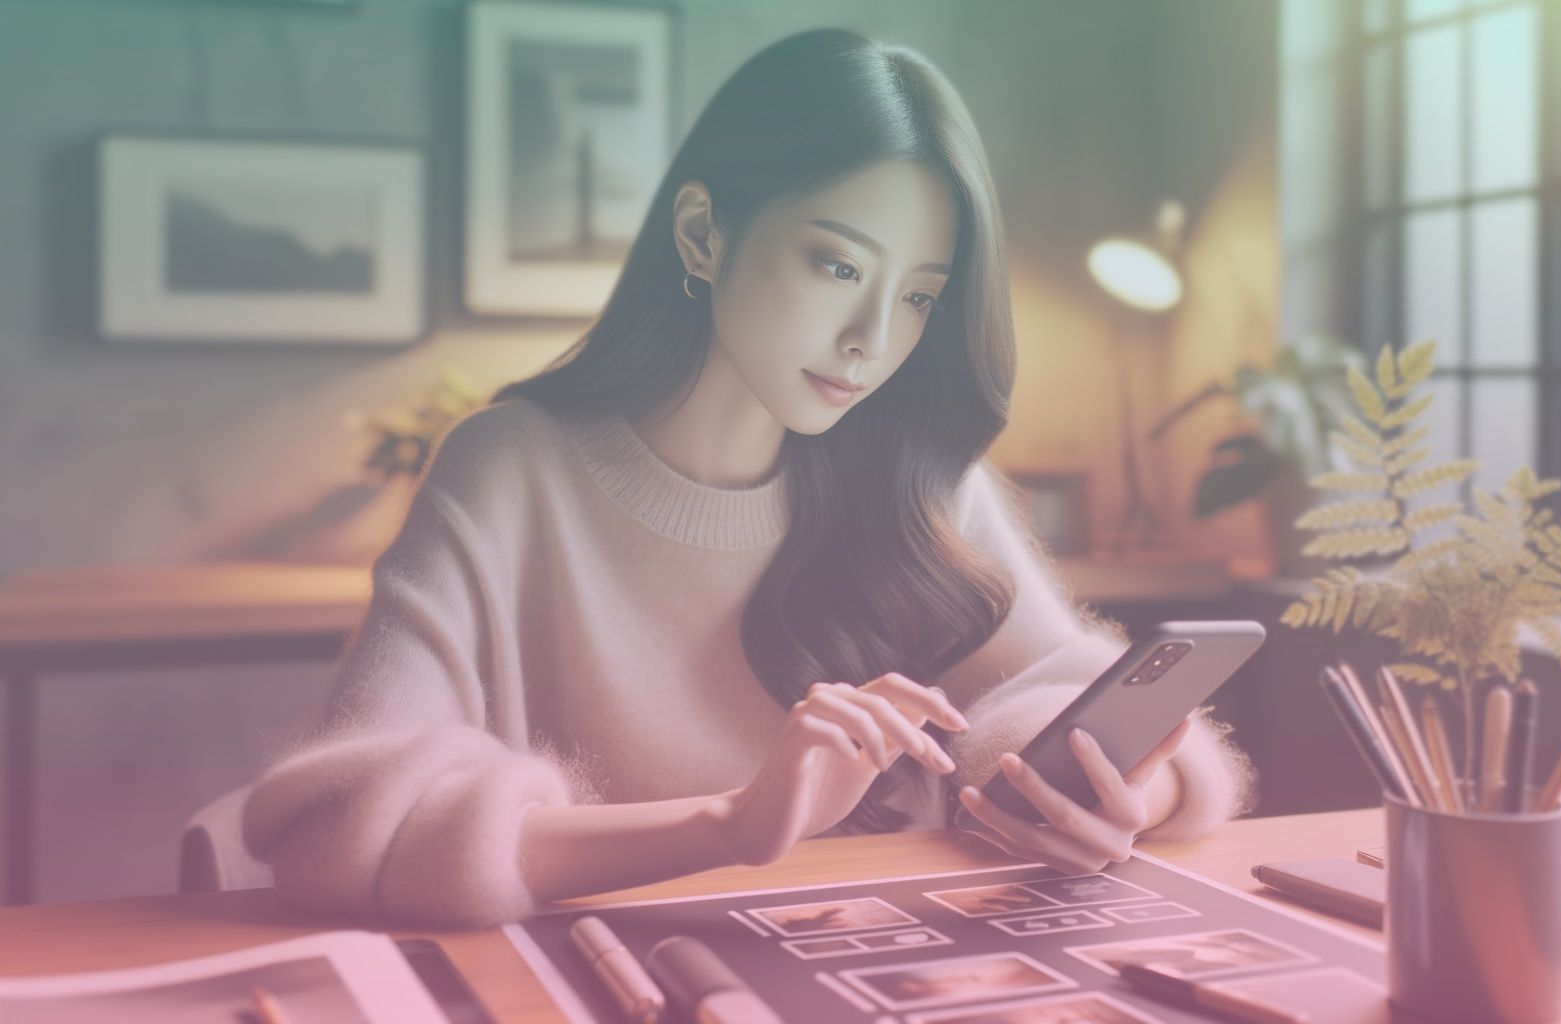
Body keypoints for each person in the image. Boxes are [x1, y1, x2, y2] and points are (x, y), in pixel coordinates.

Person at [241, 28, 1253, 929]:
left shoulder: (917, 473)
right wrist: (731, 822)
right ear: (701, 234)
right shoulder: (511, 468)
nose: (870, 341)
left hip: (888, 968)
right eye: (837, 265)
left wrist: (1122, 797)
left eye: (917, 297)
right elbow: (338, 826)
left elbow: (1053, 690)